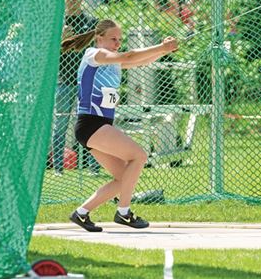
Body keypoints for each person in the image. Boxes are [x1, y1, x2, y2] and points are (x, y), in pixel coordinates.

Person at [62, 18, 178, 232]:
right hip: (91, 124)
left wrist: (164, 50)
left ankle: (82, 213)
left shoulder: (111, 61)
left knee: (123, 177)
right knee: (139, 156)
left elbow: (138, 61)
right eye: (113, 39)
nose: (117, 43)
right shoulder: (95, 55)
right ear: (99, 38)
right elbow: (129, 56)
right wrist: (161, 46)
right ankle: (123, 212)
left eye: (120, 39)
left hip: (97, 127)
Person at [51, 0, 99, 176]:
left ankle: (93, 167)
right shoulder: (57, 23)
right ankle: (58, 168)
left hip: (86, 81)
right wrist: (60, 39)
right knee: (60, 125)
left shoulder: (91, 22)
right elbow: (50, 53)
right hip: (63, 81)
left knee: (90, 124)